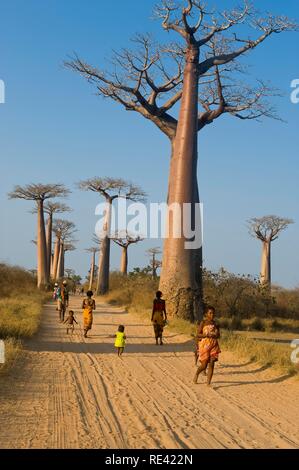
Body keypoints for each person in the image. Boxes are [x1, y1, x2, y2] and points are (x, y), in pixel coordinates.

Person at [193, 306, 221, 386]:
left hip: (214, 345)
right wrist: (206, 335)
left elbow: (219, 335)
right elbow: (198, 334)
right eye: (210, 313)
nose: (212, 314)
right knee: (204, 365)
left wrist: (215, 334)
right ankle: (197, 374)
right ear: (206, 314)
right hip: (204, 345)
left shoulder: (216, 324)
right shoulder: (203, 323)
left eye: (213, 313)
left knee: (212, 363)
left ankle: (208, 383)